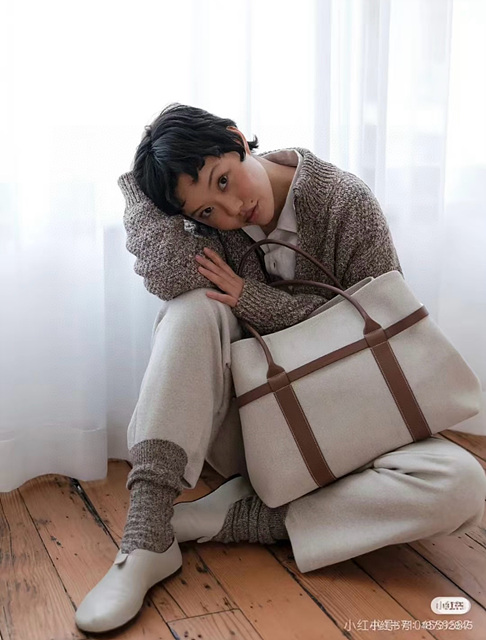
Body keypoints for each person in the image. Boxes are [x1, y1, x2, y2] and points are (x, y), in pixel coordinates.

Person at [75, 103, 486, 633]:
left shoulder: (343, 201)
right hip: (260, 435)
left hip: (355, 425)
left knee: (462, 485)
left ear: (236, 137)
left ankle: (237, 517)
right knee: (192, 307)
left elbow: (383, 326)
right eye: (207, 211)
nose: (232, 209)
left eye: (225, 180)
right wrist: (141, 185)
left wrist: (254, 300)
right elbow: (171, 274)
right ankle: (147, 532)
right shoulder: (213, 229)